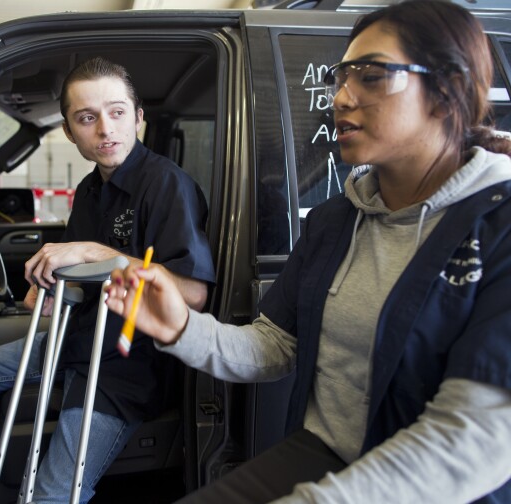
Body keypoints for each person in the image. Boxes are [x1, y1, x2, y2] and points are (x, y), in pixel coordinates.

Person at [105, 2, 511, 503]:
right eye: (342, 77)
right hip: (321, 454)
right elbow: (274, 347)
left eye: (372, 76)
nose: (341, 97)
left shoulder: (498, 226)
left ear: (447, 89)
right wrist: (182, 330)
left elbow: (474, 440)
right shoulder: (336, 221)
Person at [0, 57, 216, 504]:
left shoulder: (166, 185)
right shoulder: (90, 190)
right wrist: (48, 288)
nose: (105, 129)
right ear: (69, 131)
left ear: (138, 117)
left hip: (126, 363)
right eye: (87, 118)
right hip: (78, 340)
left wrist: (94, 253)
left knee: (49, 494)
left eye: (118, 112)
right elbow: (77, 273)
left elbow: (194, 295)